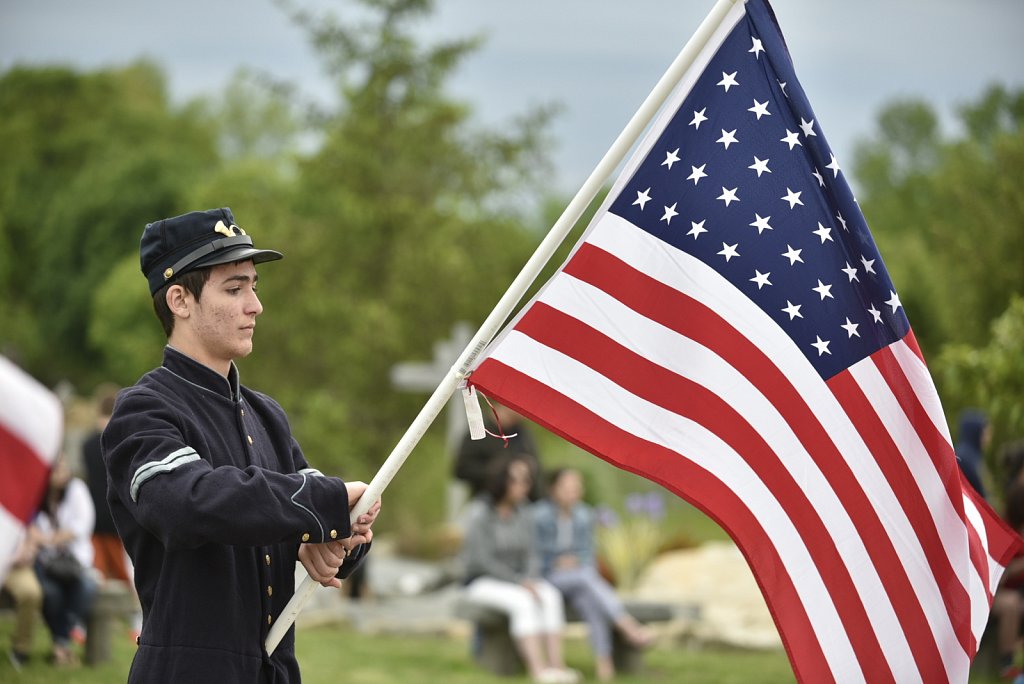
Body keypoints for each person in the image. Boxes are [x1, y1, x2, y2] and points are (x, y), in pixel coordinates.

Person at [101, 207, 381, 683]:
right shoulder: (143, 411)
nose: (255, 305)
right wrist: (326, 503)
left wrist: (343, 535)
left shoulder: (267, 414)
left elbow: (303, 519)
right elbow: (189, 503)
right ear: (179, 300)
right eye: (234, 289)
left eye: (253, 286)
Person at [461, 453, 578, 684]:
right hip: (482, 581)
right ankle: (539, 671)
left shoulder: (525, 511)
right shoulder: (479, 513)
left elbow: (532, 553)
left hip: (521, 581)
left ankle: (557, 667)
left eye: (527, 479)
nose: (524, 485)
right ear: (502, 480)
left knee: (550, 595)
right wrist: (518, 581)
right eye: (518, 479)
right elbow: (480, 560)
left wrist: (529, 578)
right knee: (523, 602)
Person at [534, 468, 653, 681]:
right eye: (568, 487)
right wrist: (557, 561)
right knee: (587, 577)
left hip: (579, 580)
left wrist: (575, 561)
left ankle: (604, 664)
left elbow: (588, 553)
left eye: (577, 487)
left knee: (589, 601)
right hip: (549, 577)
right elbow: (534, 553)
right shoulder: (539, 516)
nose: (574, 492)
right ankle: (626, 625)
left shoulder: (584, 515)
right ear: (553, 490)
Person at [32, 456, 97, 666]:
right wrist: (46, 541)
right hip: (44, 561)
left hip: (74, 561)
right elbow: (29, 527)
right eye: (56, 470)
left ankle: (60, 643)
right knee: (51, 592)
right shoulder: (36, 493)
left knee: (86, 587)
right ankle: (62, 645)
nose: (62, 474)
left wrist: (49, 539)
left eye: (64, 469)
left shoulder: (76, 489)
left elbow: (82, 525)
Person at [455, 402, 544, 501]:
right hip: (487, 500)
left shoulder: (523, 435)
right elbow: (461, 470)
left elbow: (537, 469)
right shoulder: (480, 431)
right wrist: (500, 471)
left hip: (520, 504)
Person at [3, 532, 43, 670]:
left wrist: (28, 552)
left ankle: (21, 649)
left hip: (15, 568)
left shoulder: (21, 511)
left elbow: (32, 534)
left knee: (30, 593)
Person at [955, 408, 991, 499]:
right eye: (985, 433)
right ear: (975, 432)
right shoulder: (964, 458)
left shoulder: (974, 457)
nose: (988, 438)